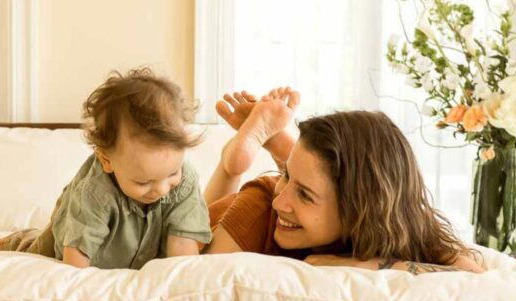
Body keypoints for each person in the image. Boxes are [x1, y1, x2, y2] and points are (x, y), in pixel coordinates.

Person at [205, 88, 484, 274]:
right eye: (287, 176)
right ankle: (236, 163)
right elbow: (199, 273)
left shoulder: (396, 220)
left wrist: (365, 264)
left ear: (362, 207)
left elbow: (471, 272)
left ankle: (283, 149)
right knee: (194, 224)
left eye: (305, 195)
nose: (282, 201)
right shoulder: (263, 206)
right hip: (214, 220)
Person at [0, 68, 212, 269]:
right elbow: (75, 259)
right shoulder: (95, 192)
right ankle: (24, 239)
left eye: (172, 173)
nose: (163, 189)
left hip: (144, 249)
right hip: (74, 236)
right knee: (42, 248)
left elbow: (183, 249)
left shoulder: (185, 181)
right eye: (143, 182)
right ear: (107, 161)